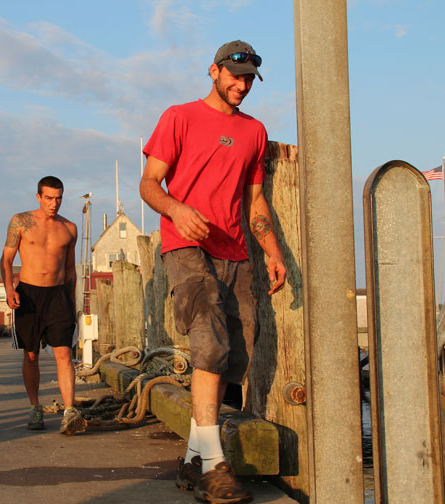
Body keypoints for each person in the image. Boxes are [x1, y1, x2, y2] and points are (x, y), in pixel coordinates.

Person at [139, 40, 286, 503]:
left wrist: (275, 251)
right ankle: (215, 466)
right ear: (214, 72)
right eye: (234, 76)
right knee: (209, 342)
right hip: (186, 245)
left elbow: (255, 200)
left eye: (247, 79)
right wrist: (177, 210)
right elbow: (149, 183)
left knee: (236, 355)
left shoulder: (255, 132)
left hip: (236, 252)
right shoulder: (179, 117)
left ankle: (191, 459)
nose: (241, 85)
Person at [0, 176, 84, 435]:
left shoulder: (69, 228)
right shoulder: (20, 221)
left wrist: (72, 304)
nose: (54, 203)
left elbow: (70, 269)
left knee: (63, 354)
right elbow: (6, 259)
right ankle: (35, 406)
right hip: (29, 295)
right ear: (38, 197)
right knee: (31, 354)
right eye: (48, 198)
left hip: (58, 296)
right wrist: (9, 289)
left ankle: (70, 411)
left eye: (58, 198)